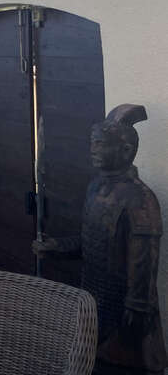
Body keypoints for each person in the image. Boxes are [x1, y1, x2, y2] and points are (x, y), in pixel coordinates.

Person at [34, 104, 165, 375]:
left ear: (126, 150)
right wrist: (56, 247)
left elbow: (142, 275)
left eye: (101, 144)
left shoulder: (141, 199)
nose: (93, 149)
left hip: (125, 326)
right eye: (93, 143)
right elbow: (92, 244)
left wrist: (131, 326)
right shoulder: (96, 187)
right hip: (94, 309)